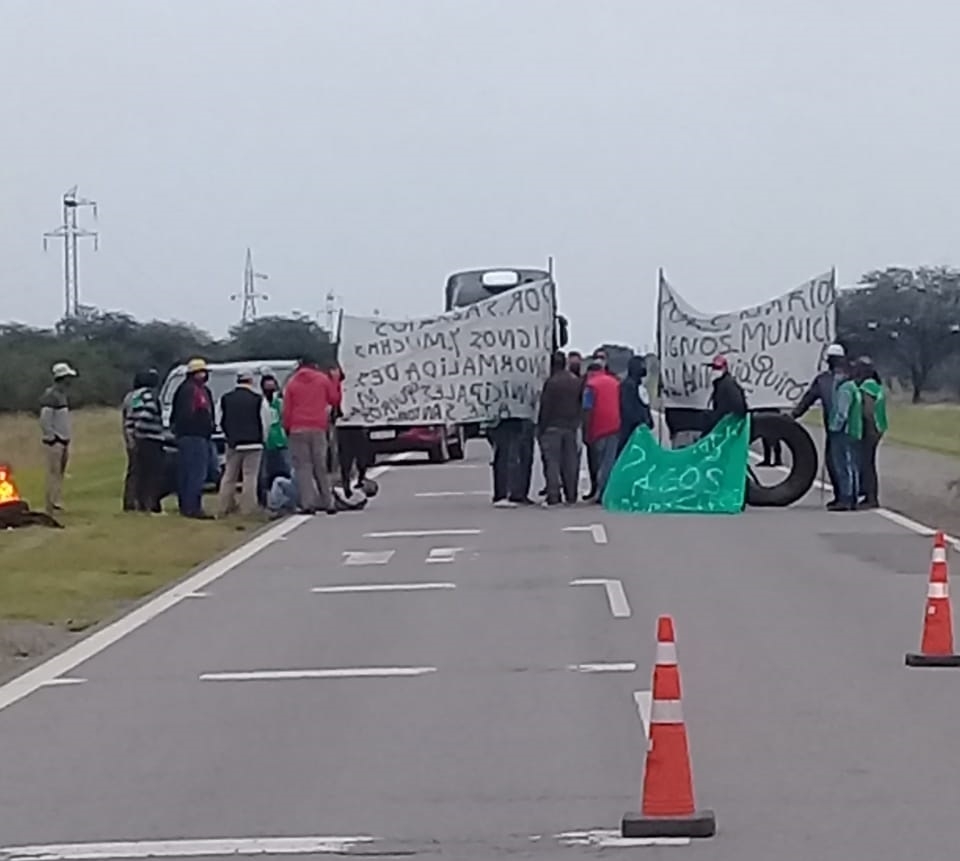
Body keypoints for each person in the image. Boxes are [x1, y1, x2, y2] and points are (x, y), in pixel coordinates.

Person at [283, 354, 341, 515]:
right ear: (314, 365)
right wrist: (335, 381)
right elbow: (334, 399)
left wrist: (287, 427)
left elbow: (287, 410)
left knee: (303, 468)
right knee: (320, 466)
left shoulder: (292, 383)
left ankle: (308, 504)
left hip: (297, 428)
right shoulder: (322, 380)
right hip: (318, 427)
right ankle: (328, 502)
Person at [792, 343, 848, 506]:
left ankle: (846, 497)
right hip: (835, 427)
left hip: (846, 426)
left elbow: (807, 400)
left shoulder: (845, 378)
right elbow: (808, 399)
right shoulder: (825, 379)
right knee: (834, 462)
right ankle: (841, 495)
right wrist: (794, 415)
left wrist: (795, 414)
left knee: (842, 463)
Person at [218, 368, 271, 517]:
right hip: (254, 443)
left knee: (229, 475)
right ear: (251, 380)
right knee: (250, 476)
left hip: (233, 443)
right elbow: (265, 421)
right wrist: (263, 439)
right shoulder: (258, 399)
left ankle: (224, 506)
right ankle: (248, 508)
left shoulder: (225, 398)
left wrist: (227, 436)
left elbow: (219, 420)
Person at [170, 357, 215, 519]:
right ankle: (192, 507)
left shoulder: (201, 389)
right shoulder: (189, 390)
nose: (204, 375)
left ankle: (189, 505)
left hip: (197, 436)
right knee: (194, 473)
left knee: (192, 473)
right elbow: (185, 415)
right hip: (192, 436)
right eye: (200, 372)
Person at [538, 351, 583, 506]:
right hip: (571, 426)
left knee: (552, 462)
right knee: (570, 462)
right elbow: (581, 404)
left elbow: (545, 407)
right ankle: (571, 494)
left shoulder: (551, 383)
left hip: (552, 426)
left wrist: (541, 428)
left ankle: (553, 494)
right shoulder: (575, 381)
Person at [39, 361, 77, 515]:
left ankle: (57, 501)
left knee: (59, 473)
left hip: (62, 440)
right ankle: (51, 504)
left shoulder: (61, 395)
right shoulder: (51, 396)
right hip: (55, 441)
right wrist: (52, 437)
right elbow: (45, 419)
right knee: (54, 473)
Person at [826, 358, 863, 512]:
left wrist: (833, 427)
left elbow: (842, 412)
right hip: (854, 430)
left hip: (843, 431)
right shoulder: (854, 387)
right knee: (852, 465)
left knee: (842, 465)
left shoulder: (845, 389)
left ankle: (845, 498)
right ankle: (853, 497)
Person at [583, 358, 621, 503]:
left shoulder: (591, 385)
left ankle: (600, 493)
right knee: (609, 461)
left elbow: (587, 408)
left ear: (590, 372)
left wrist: (586, 431)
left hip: (598, 427)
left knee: (598, 463)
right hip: (614, 426)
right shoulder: (615, 383)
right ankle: (608, 492)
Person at [129, 368, 165, 513]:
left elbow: (133, 413)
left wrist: (134, 430)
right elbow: (147, 413)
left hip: (139, 438)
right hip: (152, 437)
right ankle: (151, 504)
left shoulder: (136, 396)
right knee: (153, 474)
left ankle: (140, 503)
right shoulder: (151, 395)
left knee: (141, 473)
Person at [856, 357, 887, 508]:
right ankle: (869, 494)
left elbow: (867, 411)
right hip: (879, 426)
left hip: (870, 428)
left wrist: (861, 426)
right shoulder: (876, 386)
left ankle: (871, 497)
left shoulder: (866, 387)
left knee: (867, 463)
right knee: (869, 462)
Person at [258, 369, 291, 505]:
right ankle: (266, 500)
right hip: (266, 441)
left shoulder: (280, 401)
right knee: (265, 474)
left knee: (284, 470)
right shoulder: (261, 402)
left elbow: (285, 417)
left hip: (281, 441)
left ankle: (284, 498)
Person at [618, 354, 653, 453]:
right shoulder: (628, 386)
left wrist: (648, 420)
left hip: (638, 429)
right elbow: (629, 410)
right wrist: (641, 421)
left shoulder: (637, 385)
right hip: (631, 432)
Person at [703, 355, 748, 432]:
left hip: (729, 422)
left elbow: (722, 408)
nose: (714, 370)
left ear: (725, 368)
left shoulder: (725, 385)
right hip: (732, 420)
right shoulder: (724, 382)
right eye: (714, 367)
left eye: (718, 368)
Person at [120, 373, 142, 511]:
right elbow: (134, 414)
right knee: (135, 470)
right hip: (135, 437)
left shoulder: (129, 396)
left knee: (133, 470)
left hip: (130, 435)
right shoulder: (137, 397)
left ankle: (131, 500)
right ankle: (132, 501)